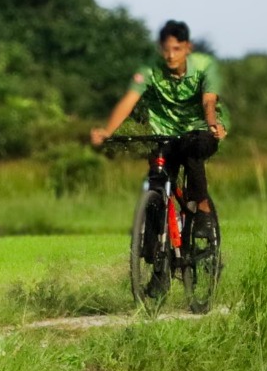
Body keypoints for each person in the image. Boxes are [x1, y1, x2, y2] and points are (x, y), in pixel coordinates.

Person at [92, 20, 224, 246]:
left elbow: (208, 101)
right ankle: (153, 248)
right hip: (165, 136)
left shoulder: (204, 66)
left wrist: (212, 124)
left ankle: (203, 213)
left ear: (188, 48)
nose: (171, 56)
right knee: (157, 180)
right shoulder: (149, 69)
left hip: (198, 132)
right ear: (160, 49)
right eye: (166, 50)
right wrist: (106, 131)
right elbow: (129, 101)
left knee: (193, 153)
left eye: (177, 49)